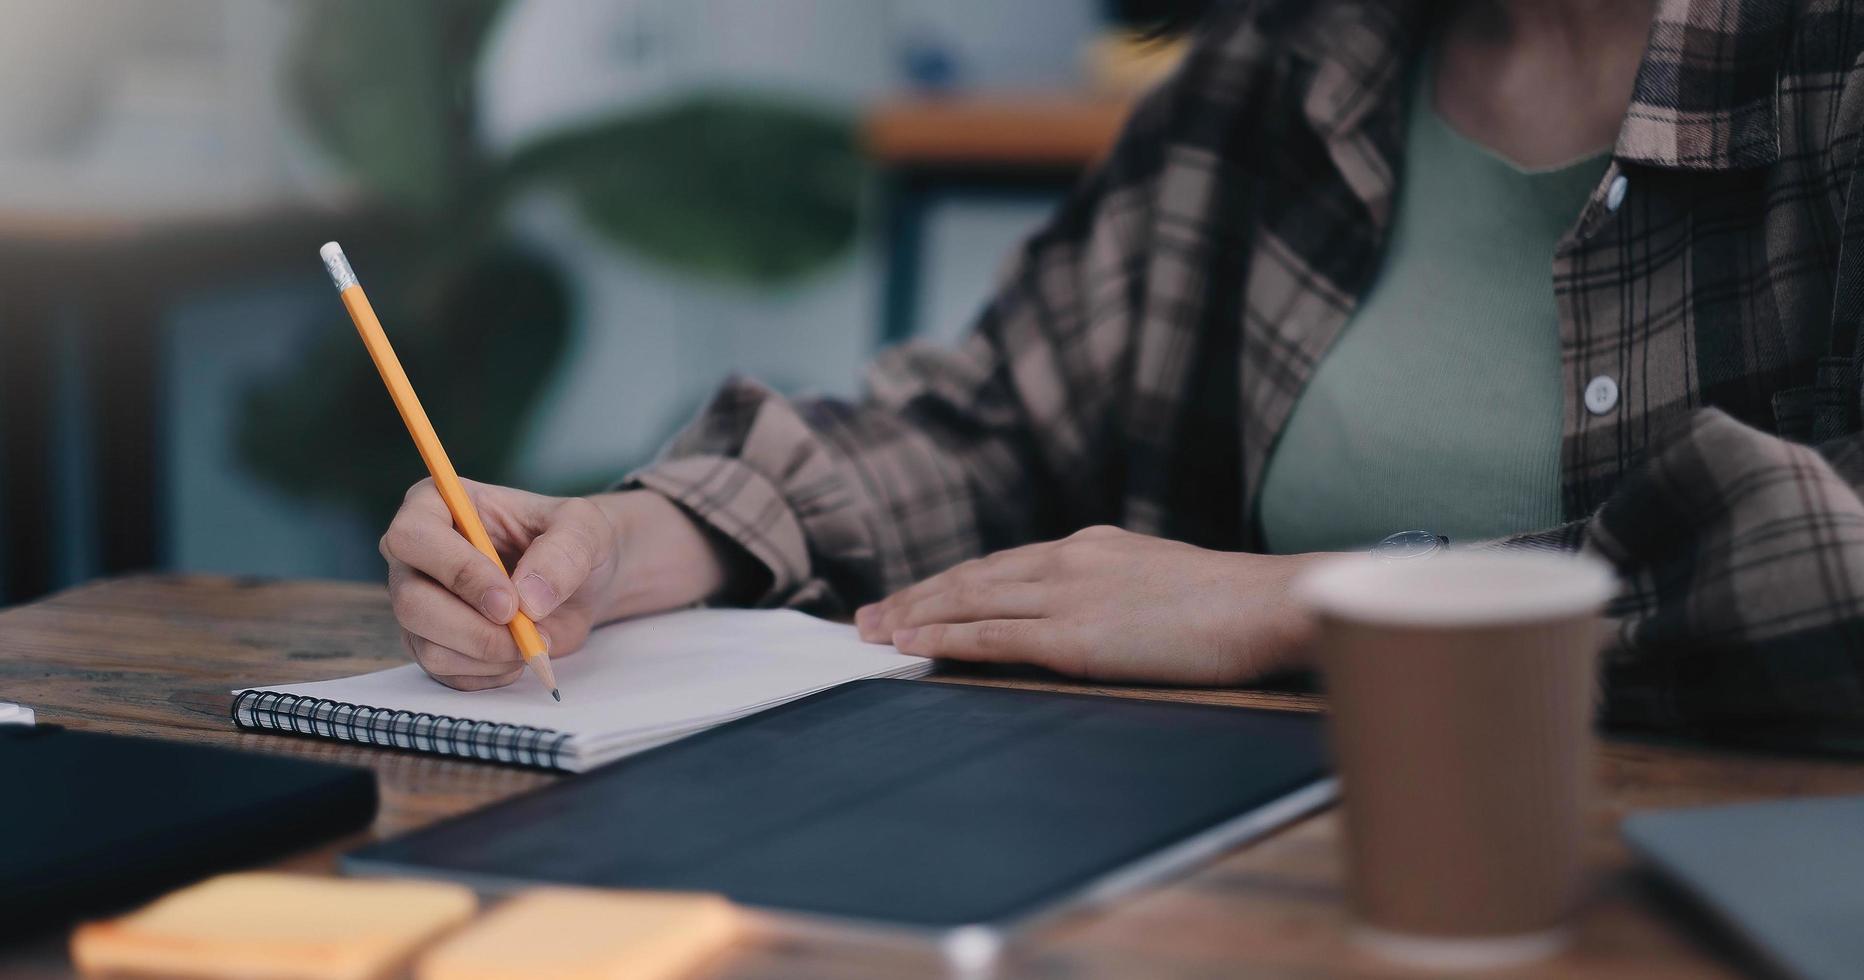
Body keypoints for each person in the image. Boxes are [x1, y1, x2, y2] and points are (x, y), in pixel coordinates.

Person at [380, 0, 1864, 739]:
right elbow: (1001, 418)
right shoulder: (1287, 66)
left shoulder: (1828, 71)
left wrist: (1301, 606)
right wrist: (652, 540)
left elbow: (1829, 567)